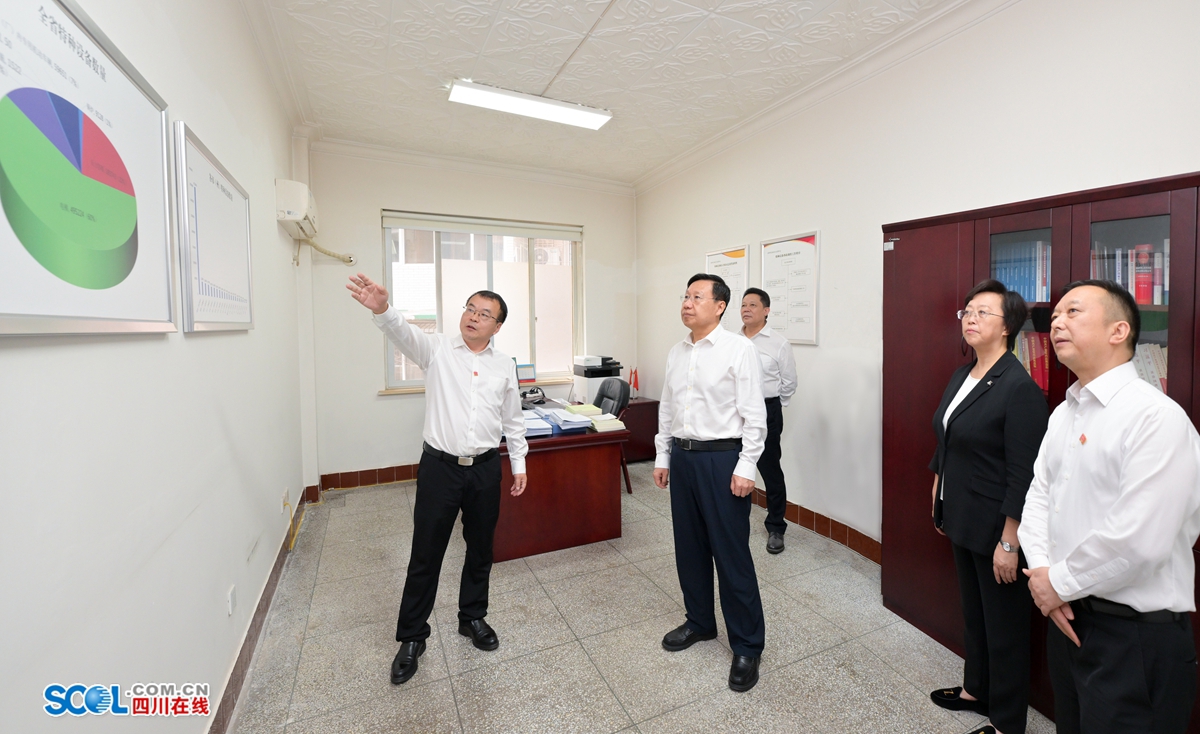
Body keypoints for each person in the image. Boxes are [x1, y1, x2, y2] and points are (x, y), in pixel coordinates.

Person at [1019, 279, 1200, 734]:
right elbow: (1038, 497)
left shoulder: (1156, 417)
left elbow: (1139, 540)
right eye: (1054, 316)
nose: (1056, 323)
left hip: (1133, 638)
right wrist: (1043, 577)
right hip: (1067, 617)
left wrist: (1055, 584)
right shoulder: (1064, 413)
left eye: (1073, 312)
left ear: (1119, 331)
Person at [347, 273, 528, 685]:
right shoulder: (439, 349)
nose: (473, 317)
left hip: (485, 469)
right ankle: (412, 636)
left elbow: (513, 420)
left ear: (498, 326)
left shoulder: (504, 365)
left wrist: (518, 465)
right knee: (426, 554)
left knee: (480, 549)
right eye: (470, 309)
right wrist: (382, 309)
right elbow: (402, 332)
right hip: (440, 469)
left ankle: (473, 617)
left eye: (484, 314)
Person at [928, 279, 1048, 734]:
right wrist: (937, 489)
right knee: (975, 615)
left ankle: (1006, 722)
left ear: (1007, 326)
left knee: (1005, 628)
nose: (971, 319)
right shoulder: (964, 374)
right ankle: (976, 690)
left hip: (996, 526)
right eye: (968, 311)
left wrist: (1009, 542)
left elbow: (1025, 474)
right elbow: (947, 436)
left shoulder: (1018, 387)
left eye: (983, 312)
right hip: (960, 514)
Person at [654, 273, 768, 692]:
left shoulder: (739, 349)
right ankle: (700, 621)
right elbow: (668, 408)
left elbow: (755, 414)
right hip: (684, 459)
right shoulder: (677, 351)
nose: (687, 303)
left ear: (720, 306)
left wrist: (746, 466)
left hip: (723, 460)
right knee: (690, 548)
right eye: (685, 296)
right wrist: (663, 454)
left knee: (731, 553)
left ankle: (747, 645)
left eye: (697, 297)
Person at [739, 287, 797, 554]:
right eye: (743, 304)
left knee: (770, 469)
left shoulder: (778, 343)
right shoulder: (732, 341)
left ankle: (776, 527)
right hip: (735, 411)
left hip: (767, 410)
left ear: (766, 311)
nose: (746, 309)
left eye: (752, 305)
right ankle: (733, 520)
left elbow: (789, 382)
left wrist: (772, 407)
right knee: (732, 465)